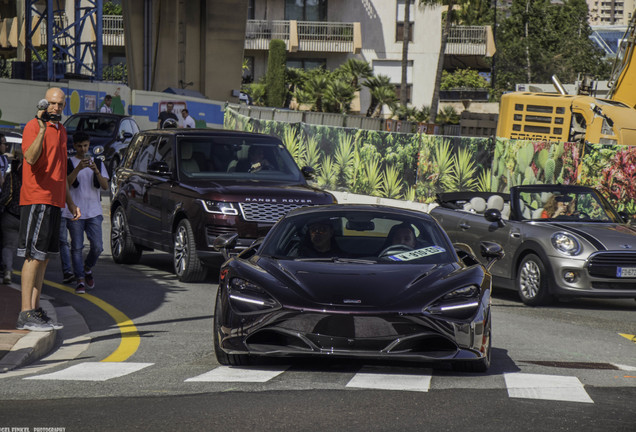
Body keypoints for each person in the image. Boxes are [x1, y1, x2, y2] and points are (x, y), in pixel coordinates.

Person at [16, 87, 81, 332]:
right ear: (44, 105)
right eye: (52, 104)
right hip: (37, 198)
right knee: (33, 256)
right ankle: (24, 312)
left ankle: (34, 309)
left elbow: (61, 172)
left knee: (43, 259)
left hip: (55, 201)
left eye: (60, 104)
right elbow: (30, 158)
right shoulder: (33, 126)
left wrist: (71, 203)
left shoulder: (62, 131)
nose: (56, 108)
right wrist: (42, 130)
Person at [64, 131, 109, 294]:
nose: (83, 149)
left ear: (89, 145)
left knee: (97, 247)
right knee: (76, 247)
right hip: (74, 212)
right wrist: (77, 169)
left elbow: (105, 186)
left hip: (94, 212)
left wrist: (96, 170)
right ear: (74, 146)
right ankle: (80, 280)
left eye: (86, 146)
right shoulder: (69, 162)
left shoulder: (97, 162)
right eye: (80, 146)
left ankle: (87, 267)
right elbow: (66, 184)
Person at [0, 155, 22, 284]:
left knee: (8, 246)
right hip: (26, 217)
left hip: (10, 215)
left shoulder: (11, 177)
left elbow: (6, 195)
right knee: (27, 249)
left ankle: (8, 270)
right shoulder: (31, 179)